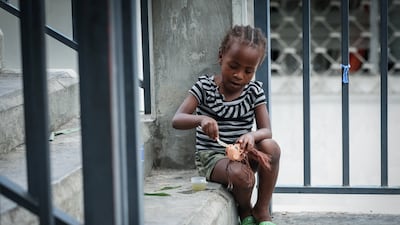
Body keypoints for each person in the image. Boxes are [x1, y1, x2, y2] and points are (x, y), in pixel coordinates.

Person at [172, 25, 280, 225]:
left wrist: (251, 136)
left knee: (271, 147)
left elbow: (267, 130)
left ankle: (262, 209)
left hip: (244, 154)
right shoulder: (204, 87)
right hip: (213, 158)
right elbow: (177, 119)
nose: (239, 75)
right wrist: (201, 119)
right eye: (233, 66)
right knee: (242, 176)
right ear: (221, 56)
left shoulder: (254, 91)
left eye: (248, 71)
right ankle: (245, 210)